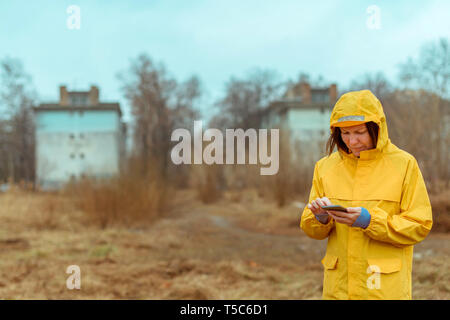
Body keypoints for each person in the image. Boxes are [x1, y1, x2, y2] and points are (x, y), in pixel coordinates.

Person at [300, 89, 433, 300]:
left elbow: (420, 225)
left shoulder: (404, 164)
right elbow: (311, 228)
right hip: (338, 291)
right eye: (345, 133)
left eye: (360, 132)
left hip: (383, 290)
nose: (352, 142)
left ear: (377, 127)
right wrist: (320, 218)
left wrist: (370, 221)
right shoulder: (324, 167)